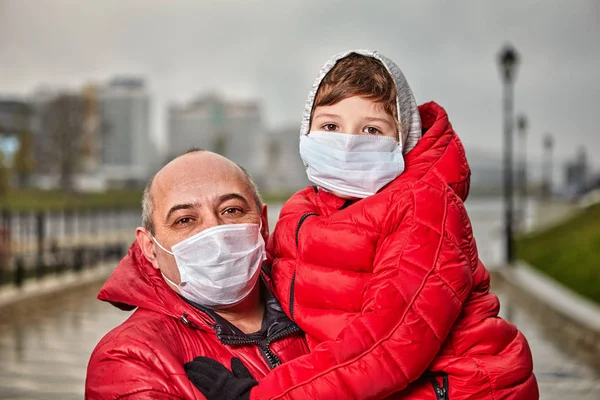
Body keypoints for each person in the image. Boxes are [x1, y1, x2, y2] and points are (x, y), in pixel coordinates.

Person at [186, 50, 539, 399]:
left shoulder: (424, 206)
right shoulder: (300, 211)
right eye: (330, 126)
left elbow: (393, 341)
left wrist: (265, 396)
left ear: (403, 140)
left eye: (371, 129)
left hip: (461, 388)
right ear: (307, 131)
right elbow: (261, 290)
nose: (348, 143)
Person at [85, 149, 309, 399]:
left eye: (231, 210)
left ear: (263, 224)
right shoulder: (131, 357)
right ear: (150, 248)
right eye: (185, 220)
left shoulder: (321, 306)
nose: (214, 232)